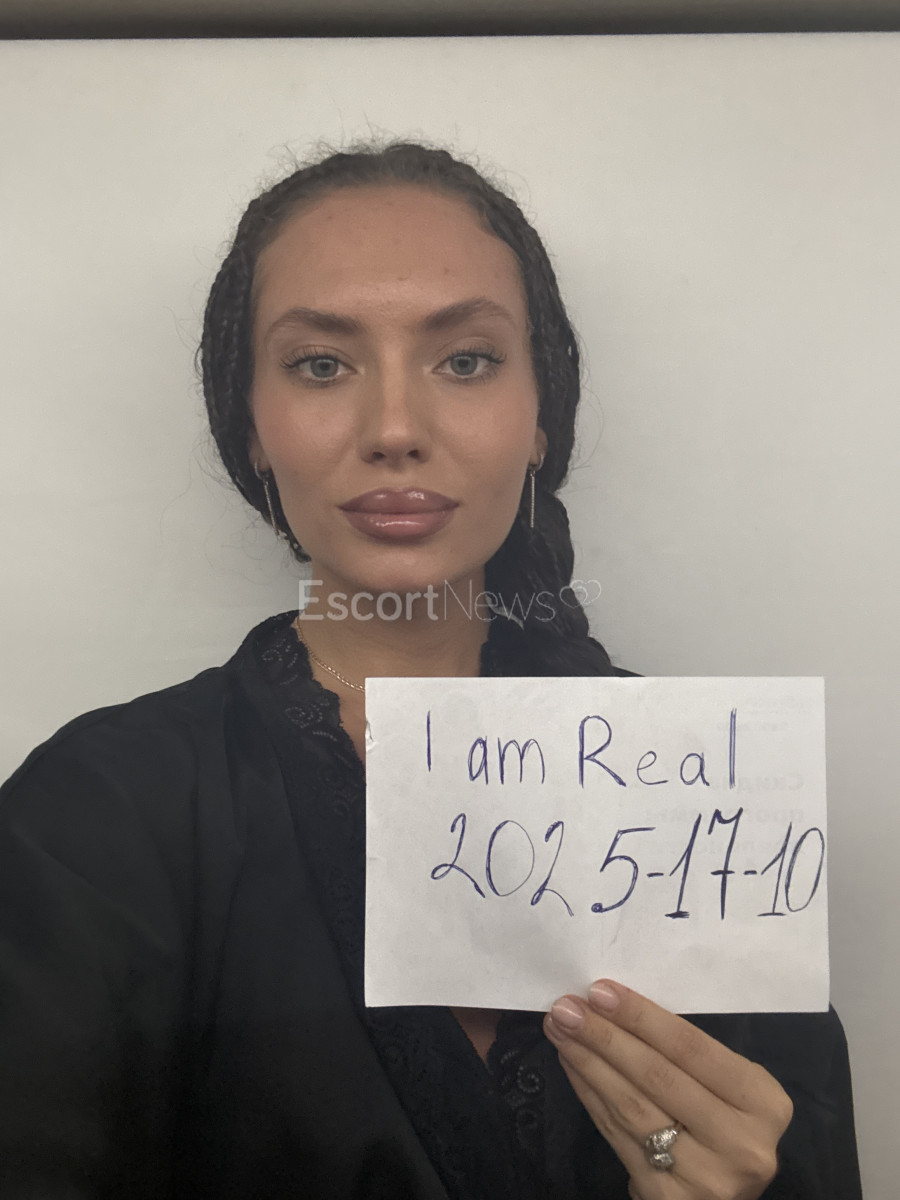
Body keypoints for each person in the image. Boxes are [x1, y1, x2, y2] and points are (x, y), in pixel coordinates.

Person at [0, 142, 861, 1200]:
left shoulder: (706, 797)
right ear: (252, 425)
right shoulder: (92, 818)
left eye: (466, 361)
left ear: (541, 417)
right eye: (322, 365)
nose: (395, 430)